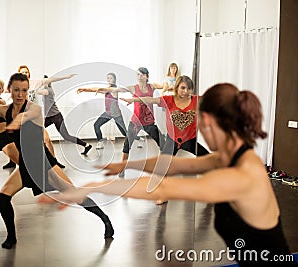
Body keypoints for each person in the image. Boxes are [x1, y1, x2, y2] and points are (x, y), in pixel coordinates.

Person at [40, 83, 297, 267]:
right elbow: (172, 165)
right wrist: (128, 165)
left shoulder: (240, 174)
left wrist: (91, 188)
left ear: (206, 120)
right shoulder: (230, 156)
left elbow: (163, 189)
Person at [0, 73, 114, 248]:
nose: (20, 94)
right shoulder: (2, 110)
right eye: (16, 90)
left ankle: (105, 220)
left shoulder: (34, 109)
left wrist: (14, 123)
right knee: (3, 197)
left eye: (24, 90)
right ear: (10, 90)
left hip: (42, 162)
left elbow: (24, 118)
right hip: (26, 164)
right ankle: (11, 236)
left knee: (73, 193)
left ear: (28, 91)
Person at [122, 75, 209, 157]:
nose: (186, 91)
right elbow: (152, 100)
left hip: (189, 140)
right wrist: (134, 99)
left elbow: (213, 100)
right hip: (172, 140)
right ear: (177, 88)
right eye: (183, 88)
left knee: (209, 158)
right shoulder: (169, 100)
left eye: (189, 88)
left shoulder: (197, 100)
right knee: (163, 166)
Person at [99, 67, 164, 175]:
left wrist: (168, 86)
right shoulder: (134, 88)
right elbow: (117, 89)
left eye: (142, 74)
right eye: (138, 74)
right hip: (135, 122)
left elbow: (164, 86)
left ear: (147, 76)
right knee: (126, 146)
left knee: (163, 144)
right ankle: (122, 168)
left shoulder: (151, 87)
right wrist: (96, 89)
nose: (139, 77)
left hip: (149, 123)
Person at [41, 74, 93, 155]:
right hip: (48, 117)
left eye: (46, 81)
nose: (45, 83)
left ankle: (86, 145)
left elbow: (38, 91)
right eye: (43, 81)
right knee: (38, 129)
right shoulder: (46, 89)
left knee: (66, 136)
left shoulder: (48, 91)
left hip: (56, 117)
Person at [77, 73, 127, 149]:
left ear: (114, 80)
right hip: (108, 113)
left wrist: (95, 89)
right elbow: (96, 90)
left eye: (111, 78)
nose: (109, 80)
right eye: (108, 78)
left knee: (124, 132)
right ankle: (100, 142)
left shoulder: (114, 89)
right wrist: (85, 89)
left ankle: (138, 139)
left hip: (116, 114)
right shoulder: (107, 89)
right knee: (96, 125)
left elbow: (99, 89)